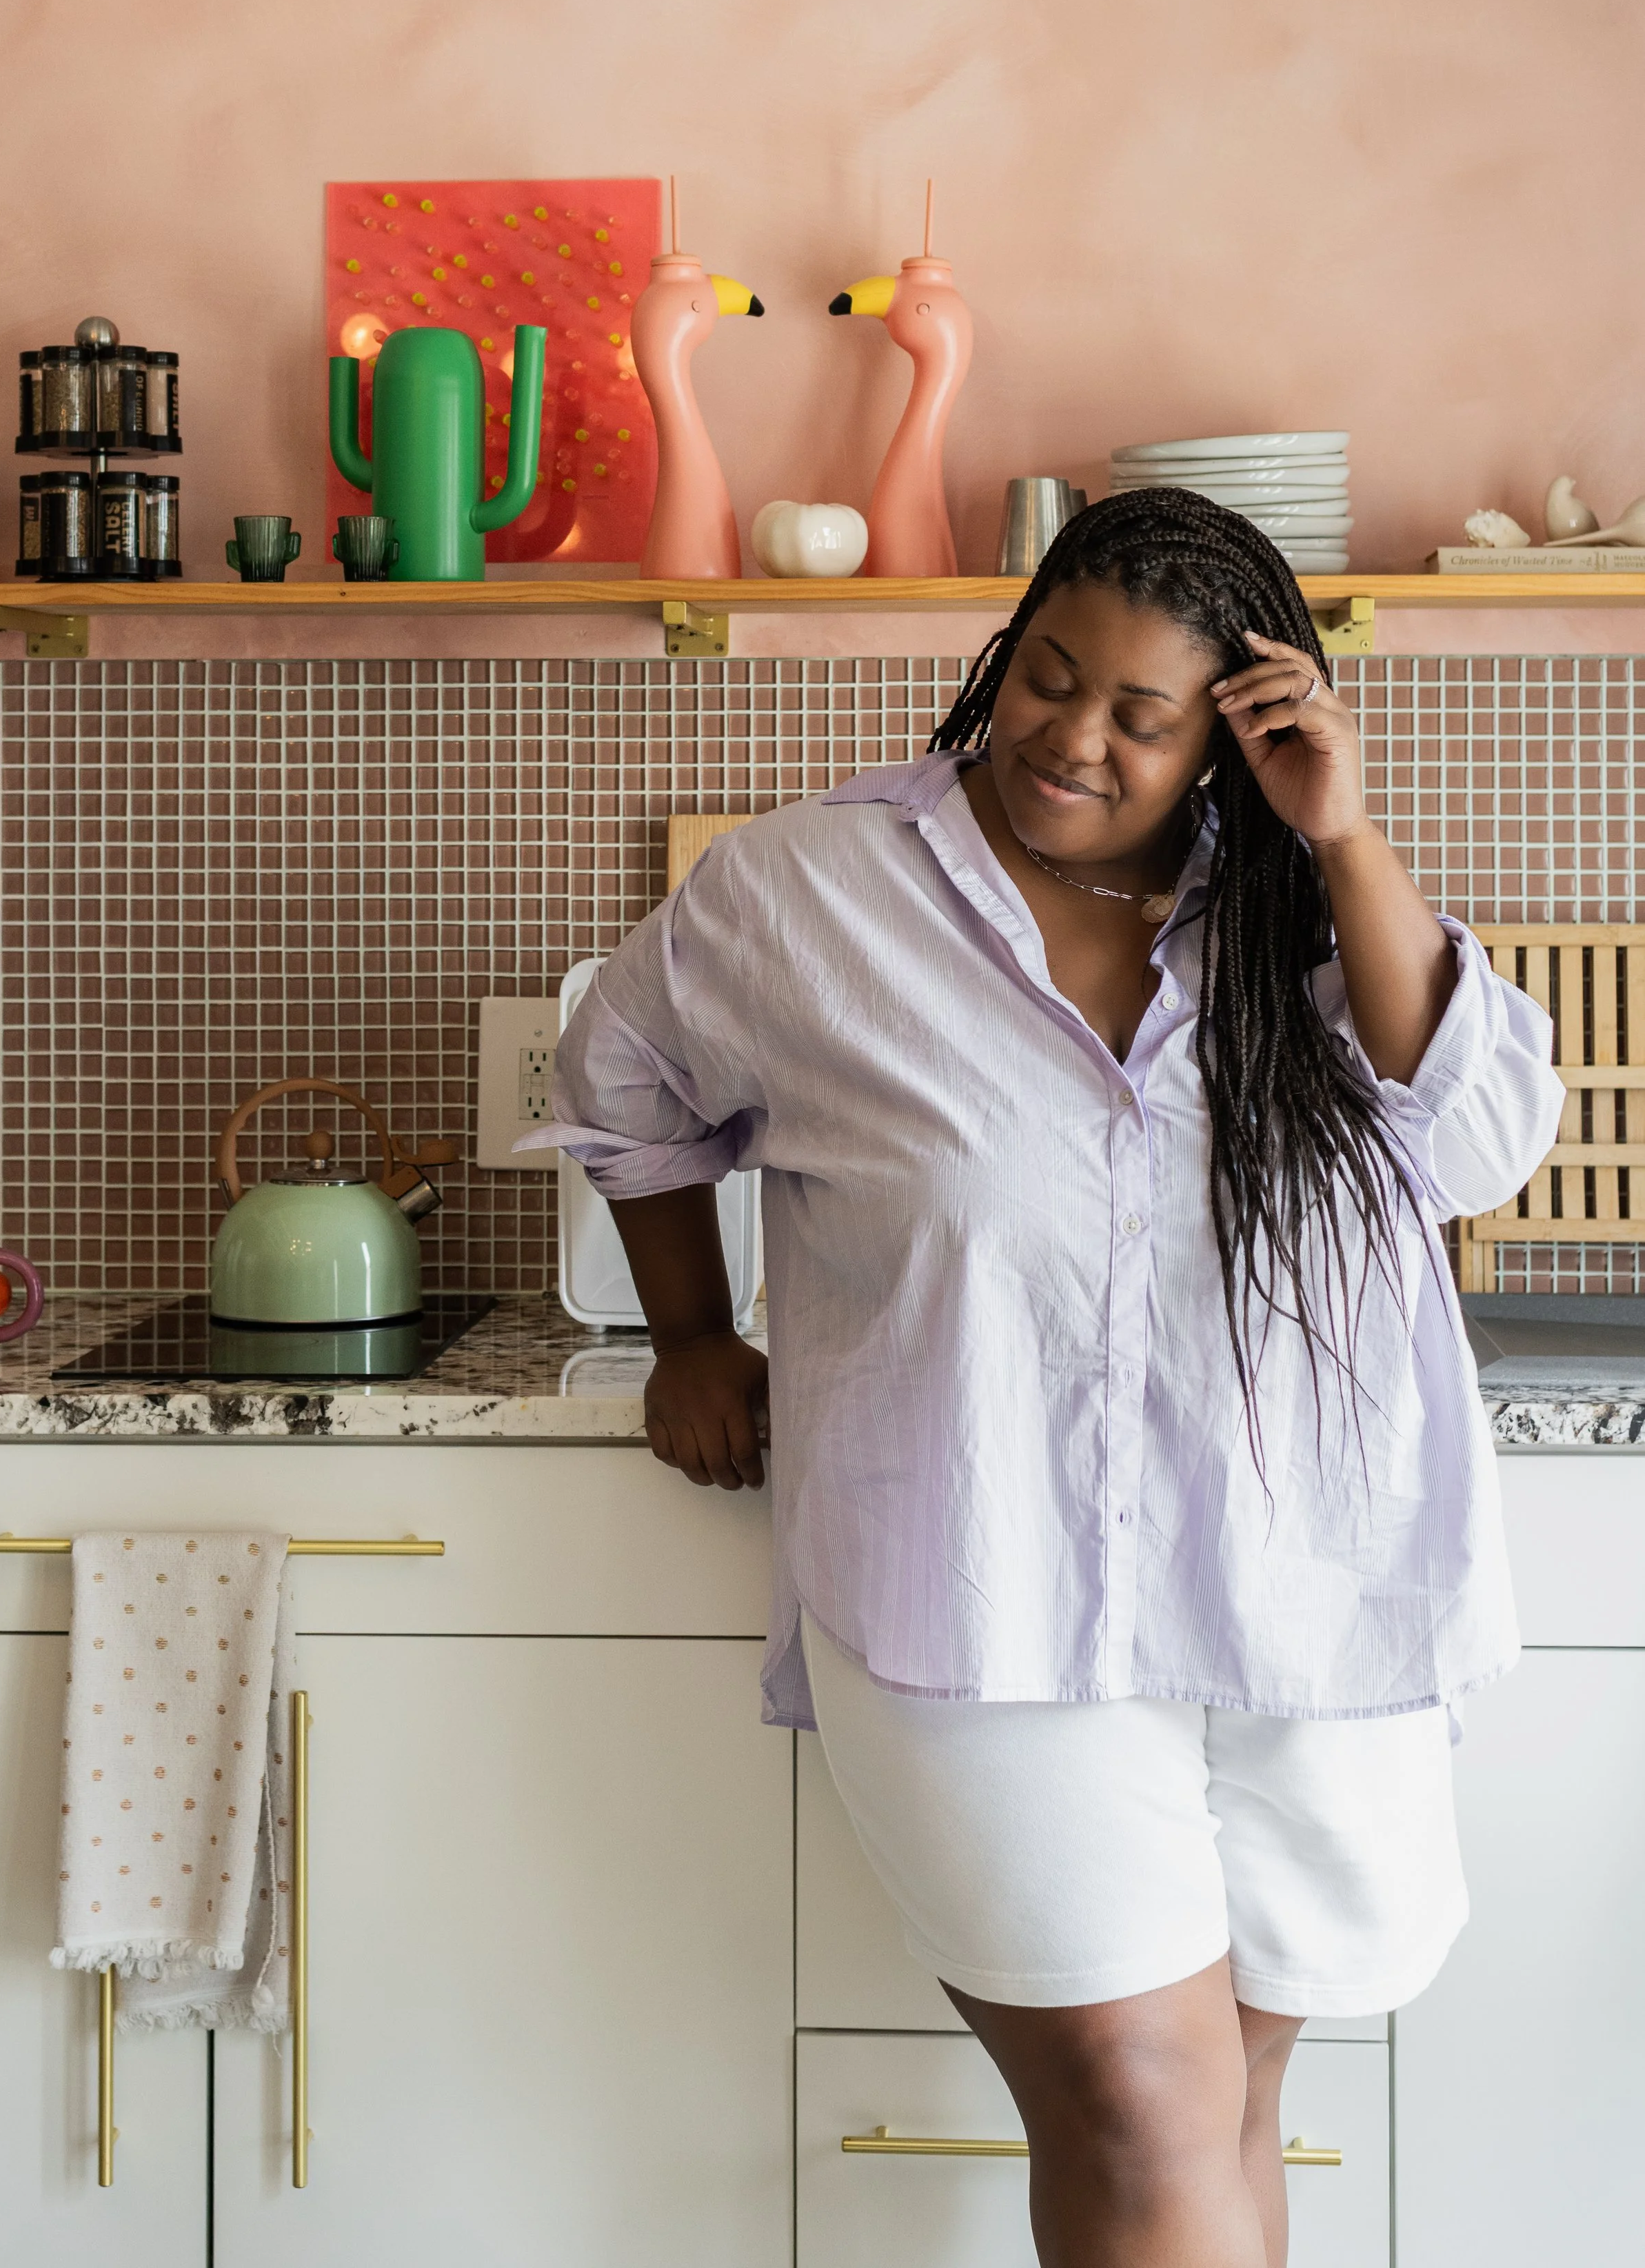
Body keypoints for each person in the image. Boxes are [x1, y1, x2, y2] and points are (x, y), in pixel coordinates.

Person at [536, 490, 1562, 2268]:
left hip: (1299, 1588)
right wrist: (693, 1334)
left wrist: (1346, 837)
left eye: (1141, 716)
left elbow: (1477, 1143)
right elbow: (623, 1084)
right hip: (974, 1591)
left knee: (1226, 2111)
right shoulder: (807, 892)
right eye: (1046, 676)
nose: (1071, 738)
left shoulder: (1297, 910)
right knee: (1144, 2112)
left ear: (1235, 729)